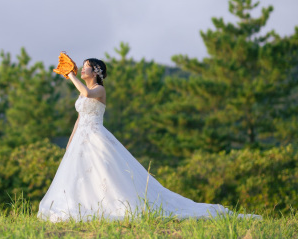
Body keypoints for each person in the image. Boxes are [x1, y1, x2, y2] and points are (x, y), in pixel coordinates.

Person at [37, 58, 251, 221]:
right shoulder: (83, 91)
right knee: (80, 174)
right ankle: (83, 205)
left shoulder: (99, 89)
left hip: (96, 136)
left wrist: (70, 75)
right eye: (82, 67)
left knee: (105, 173)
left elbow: (85, 93)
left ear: (96, 72)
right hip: (82, 138)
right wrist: (70, 141)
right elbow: (79, 118)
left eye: (86, 67)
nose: (82, 70)